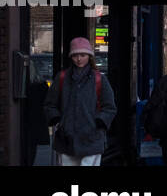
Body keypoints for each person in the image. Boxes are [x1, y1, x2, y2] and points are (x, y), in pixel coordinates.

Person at [44, 37, 117, 166]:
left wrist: (99, 122)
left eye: (83, 55)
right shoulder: (61, 78)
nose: (79, 59)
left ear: (89, 56)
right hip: (66, 139)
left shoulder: (99, 79)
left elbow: (110, 107)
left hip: (92, 139)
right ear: (71, 57)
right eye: (75, 55)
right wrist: (58, 121)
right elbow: (50, 104)